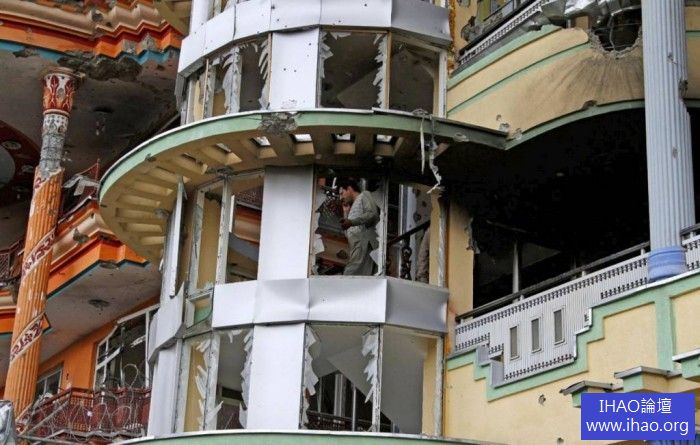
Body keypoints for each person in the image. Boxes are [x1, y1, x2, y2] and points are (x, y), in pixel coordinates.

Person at [338, 178, 379, 275]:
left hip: (364, 245)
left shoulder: (364, 195)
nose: (340, 198)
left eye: (341, 193)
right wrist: (346, 212)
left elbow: (372, 214)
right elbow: (349, 234)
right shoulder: (351, 207)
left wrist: (351, 222)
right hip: (355, 248)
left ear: (349, 189)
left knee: (349, 275)